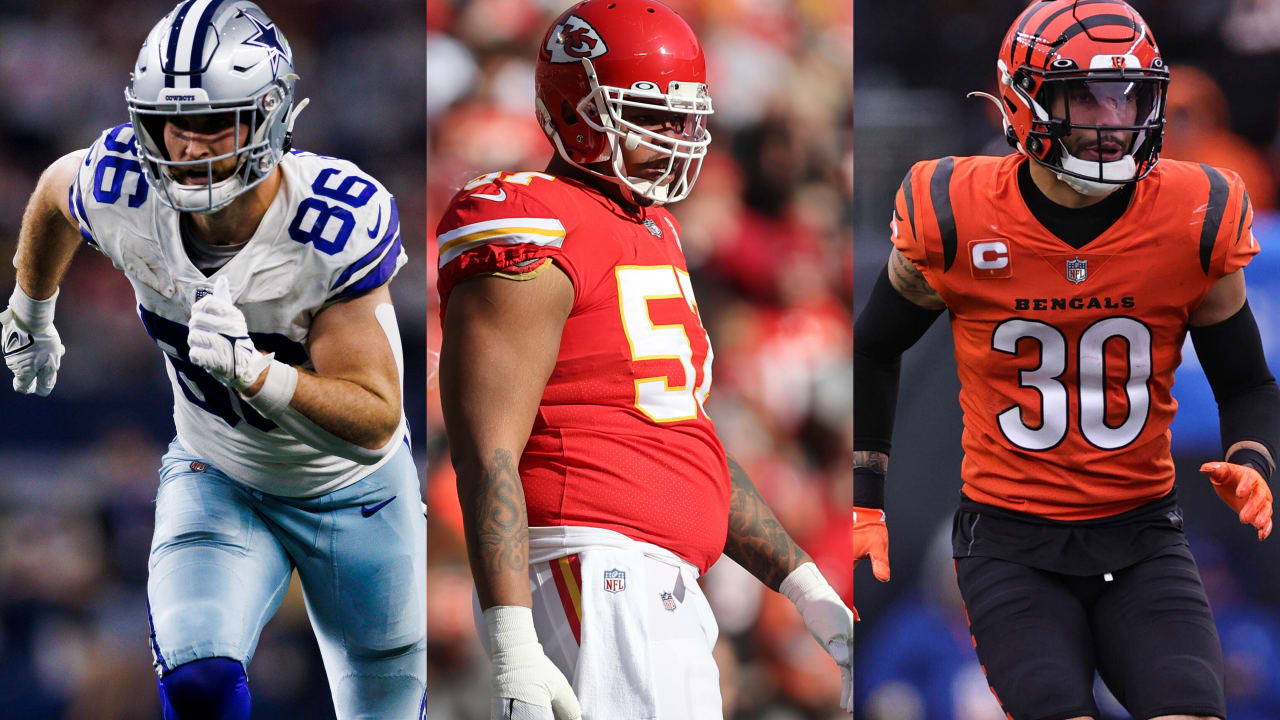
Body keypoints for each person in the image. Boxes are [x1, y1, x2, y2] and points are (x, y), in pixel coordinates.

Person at [0, 2, 426, 718]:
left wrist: (260, 374)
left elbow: (377, 419)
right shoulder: (123, 186)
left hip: (353, 492)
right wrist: (29, 310)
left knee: (381, 704)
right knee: (197, 678)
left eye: (212, 123)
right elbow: (53, 193)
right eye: (173, 123)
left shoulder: (328, 223)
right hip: (218, 473)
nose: (188, 147)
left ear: (271, 117)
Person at [853, 2, 1277, 719]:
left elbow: (1247, 381)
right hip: (1012, 541)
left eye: (1130, 95)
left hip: (1143, 533)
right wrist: (866, 497)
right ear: (1024, 97)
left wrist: (1256, 458)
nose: (1113, 118)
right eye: (1086, 95)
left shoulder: (1194, 211)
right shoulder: (954, 210)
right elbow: (876, 345)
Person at [434, 0, 853, 717]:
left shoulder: (652, 227)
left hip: (655, 580)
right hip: (593, 570)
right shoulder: (530, 219)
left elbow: (686, 439)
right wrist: (511, 641)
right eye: (651, 116)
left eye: (685, 118)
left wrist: (806, 587)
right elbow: (486, 450)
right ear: (575, 111)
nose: (677, 138)